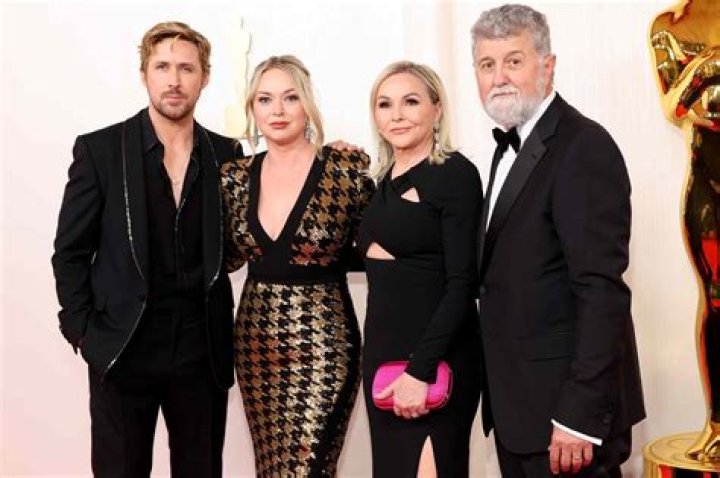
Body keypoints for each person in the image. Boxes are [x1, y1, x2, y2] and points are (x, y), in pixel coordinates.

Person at [51, 22, 239, 477]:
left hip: (201, 350)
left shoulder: (227, 155)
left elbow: (265, 215)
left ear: (204, 77)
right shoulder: (100, 150)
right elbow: (70, 251)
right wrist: (83, 331)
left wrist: (325, 155)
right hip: (122, 345)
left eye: (186, 68)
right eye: (162, 67)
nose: (174, 80)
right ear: (144, 74)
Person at [471, 4, 646, 477]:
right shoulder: (511, 147)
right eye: (487, 64)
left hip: (565, 422)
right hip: (521, 411)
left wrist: (579, 416)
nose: (499, 77)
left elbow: (601, 290)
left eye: (513, 61)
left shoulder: (583, 146)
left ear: (547, 66)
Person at [220, 55, 374, 476]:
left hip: (325, 343)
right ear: (252, 108)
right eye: (265, 99)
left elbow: (377, 249)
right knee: (272, 469)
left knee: (309, 467)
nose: (278, 110)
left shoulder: (344, 171)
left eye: (290, 98)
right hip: (256, 344)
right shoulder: (233, 177)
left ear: (307, 104)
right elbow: (227, 256)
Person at [358, 61, 483, 477]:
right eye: (385, 104)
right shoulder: (380, 181)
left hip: (434, 362)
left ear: (436, 109)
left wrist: (420, 369)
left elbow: (462, 284)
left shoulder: (455, 174)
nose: (397, 115)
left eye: (410, 102)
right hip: (382, 359)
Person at [650, 0, 720, 461]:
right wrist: (707, 65)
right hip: (709, 186)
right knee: (715, 299)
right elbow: (676, 107)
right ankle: (717, 425)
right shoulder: (670, 27)